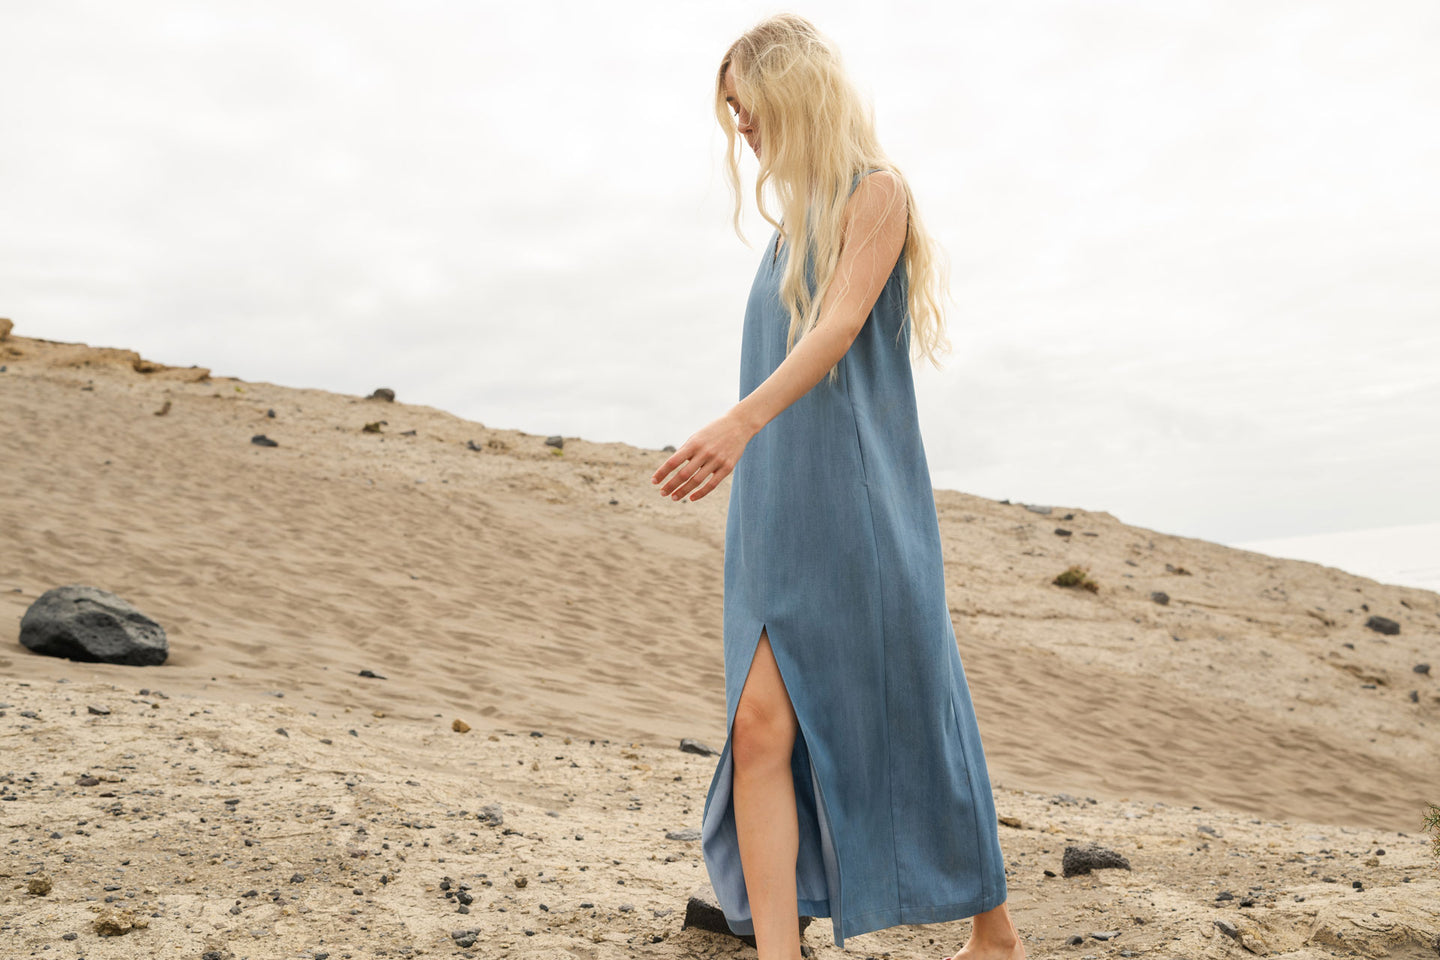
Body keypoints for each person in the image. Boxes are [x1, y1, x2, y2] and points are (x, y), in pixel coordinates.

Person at [651, 13, 1025, 960]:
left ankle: (995, 931)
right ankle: (781, 950)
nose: (742, 127)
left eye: (749, 106)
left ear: (795, 93)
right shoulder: (784, 234)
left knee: (913, 698)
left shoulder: (877, 194)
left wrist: (736, 422)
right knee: (759, 720)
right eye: (732, 112)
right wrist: (747, 443)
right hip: (774, 502)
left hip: (856, 499)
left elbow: (837, 331)